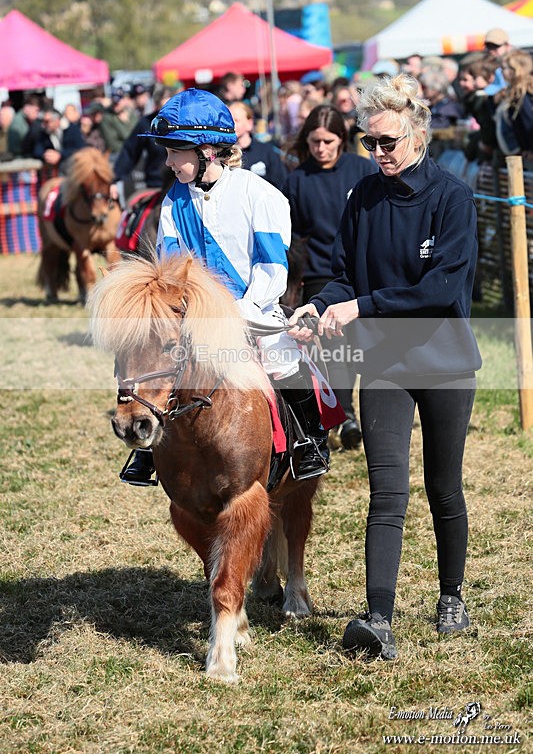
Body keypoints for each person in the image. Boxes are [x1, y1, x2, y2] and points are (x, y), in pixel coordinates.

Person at [288, 74, 481, 660]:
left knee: (444, 487)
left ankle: (452, 595)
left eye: (389, 142)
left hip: (445, 361)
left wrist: (360, 307)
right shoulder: (364, 197)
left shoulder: (453, 197)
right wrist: (318, 305)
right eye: (371, 144)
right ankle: (378, 617)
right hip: (386, 364)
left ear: (418, 134)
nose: (380, 154)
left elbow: (442, 288)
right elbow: (344, 272)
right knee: (386, 491)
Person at [120, 88, 330, 487]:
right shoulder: (172, 202)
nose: (167, 162)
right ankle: (146, 451)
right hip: (193, 317)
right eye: (165, 152)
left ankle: (309, 440)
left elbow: (271, 268)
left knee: (280, 356)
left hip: (252, 307)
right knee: (152, 358)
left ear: (207, 151)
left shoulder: (258, 194)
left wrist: (239, 314)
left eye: (174, 152)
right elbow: (170, 269)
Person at [283, 105, 378, 450]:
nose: (320, 148)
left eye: (328, 140)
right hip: (321, 274)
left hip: (365, 271)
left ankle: (366, 414)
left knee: (364, 347)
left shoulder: (362, 170)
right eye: (314, 141)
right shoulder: (296, 179)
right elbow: (291, 235)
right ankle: (346, 416)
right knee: (337, 347)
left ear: (342, 139)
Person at [111, 84, 175, 204]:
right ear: (157, 104)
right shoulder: (146, 124)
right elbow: (129, 151)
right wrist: (115, 180)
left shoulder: (186, 123)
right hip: (156, 186)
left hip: (184, 184)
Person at [228, 100, 288, 190]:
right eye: (228, 120)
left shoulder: (267, 152)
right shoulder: (222, 153)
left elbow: (281, 184)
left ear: (249, 123)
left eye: (236, 120)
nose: (231, 124)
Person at [32, 107, 87, 173]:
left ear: (57, 120)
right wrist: (47, 155)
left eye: (47, 121)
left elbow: (80, 148)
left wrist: (60, 155)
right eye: (43, 121)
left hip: (73, 169)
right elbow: (37, 150)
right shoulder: (44, 132)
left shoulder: (72, 130)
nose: (44, 124)